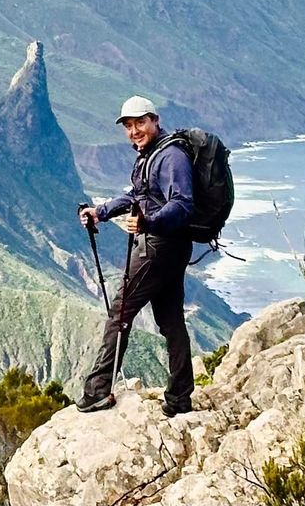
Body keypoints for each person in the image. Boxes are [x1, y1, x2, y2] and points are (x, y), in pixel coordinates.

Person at [76, 95, 196, 417]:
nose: (134, 131)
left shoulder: (171, 156)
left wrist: (148, 222)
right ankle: (180, 399)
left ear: (155, 120)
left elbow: (182, 203)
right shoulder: (149, 156)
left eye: (140, 123)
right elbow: (137, 195)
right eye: (128, 126)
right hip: (170, 247)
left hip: (158, 247)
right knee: (171, 321)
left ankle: (98, 391)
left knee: (120, 312)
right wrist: (101, 212)